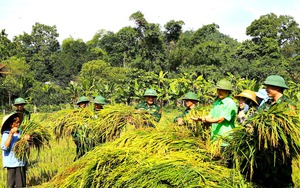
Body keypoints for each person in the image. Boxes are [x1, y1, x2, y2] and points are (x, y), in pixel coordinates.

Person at [253, 75, 294, 187]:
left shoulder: (288, 105)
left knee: (282, 179)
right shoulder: (267, 104)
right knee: (266, 179)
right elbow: (256, 118)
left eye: (268, 87)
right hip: (266, 150)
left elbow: (290, 126)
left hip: (281, 151)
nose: (266, 89)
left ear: (278, 88)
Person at [192, 79, 237, 165]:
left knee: (225, 163)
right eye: (218, 90)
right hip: (215, 139)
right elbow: (210, 116)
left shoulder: (230, 104)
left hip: (225, 140)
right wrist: (200, 118)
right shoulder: (217, 102)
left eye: (222, 90)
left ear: (228, 91)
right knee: (216, 163)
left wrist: (206, 120)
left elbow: (220, 120)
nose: (219, 92)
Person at [1, 112, 30, 188]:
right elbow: (4, 147)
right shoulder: (6, 134)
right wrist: (11, 134)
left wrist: (27, 139)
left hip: (20, 162)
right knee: (11, 184)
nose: (18, 124)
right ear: (11, 124)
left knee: (21, 184)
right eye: (16, 123)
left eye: (19, 122)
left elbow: (26, 147)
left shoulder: (21, 133)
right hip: (11, 164)